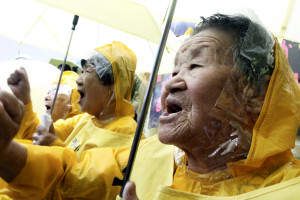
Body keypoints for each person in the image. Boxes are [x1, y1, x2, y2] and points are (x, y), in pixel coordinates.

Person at [1, 13, 300, 199]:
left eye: (195, 65)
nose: (171, 83)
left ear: (254, 94)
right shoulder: (147, 153)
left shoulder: (287, 191)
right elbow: (69, 177)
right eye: (173, 71)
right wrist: (6, 151)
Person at [7, 68, 82, 141]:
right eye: (49, 92)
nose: (46, 97)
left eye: (55, 92)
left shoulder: (76, 128)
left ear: (71, 104)